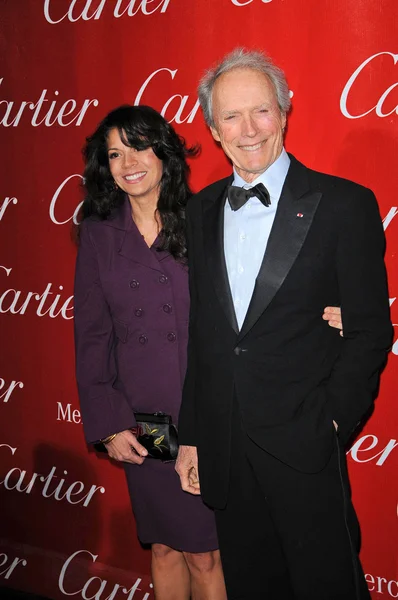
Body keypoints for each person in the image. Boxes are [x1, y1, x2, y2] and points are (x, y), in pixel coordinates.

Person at [175, 48, 392, 600]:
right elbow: (207, 335)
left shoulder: (344, 205)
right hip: (226, 448)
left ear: (285, 112)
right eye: (231, 116)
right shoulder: (199, 213)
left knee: (329, 587)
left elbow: (370, 330)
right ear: (213, 130)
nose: (248, 130)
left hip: (306, 443)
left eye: (261, 111)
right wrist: (195, 436)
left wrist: (335, 421)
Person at [74, 105, 226, 600]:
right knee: (162, 545)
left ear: (163, 153)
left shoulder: (205, 219)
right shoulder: (98, 234)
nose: (128, 162)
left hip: (202, 410)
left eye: (139, 147)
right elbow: (93, 335)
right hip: (144, 418)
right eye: (115, 153)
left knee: (205, 553)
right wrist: (108, 422)